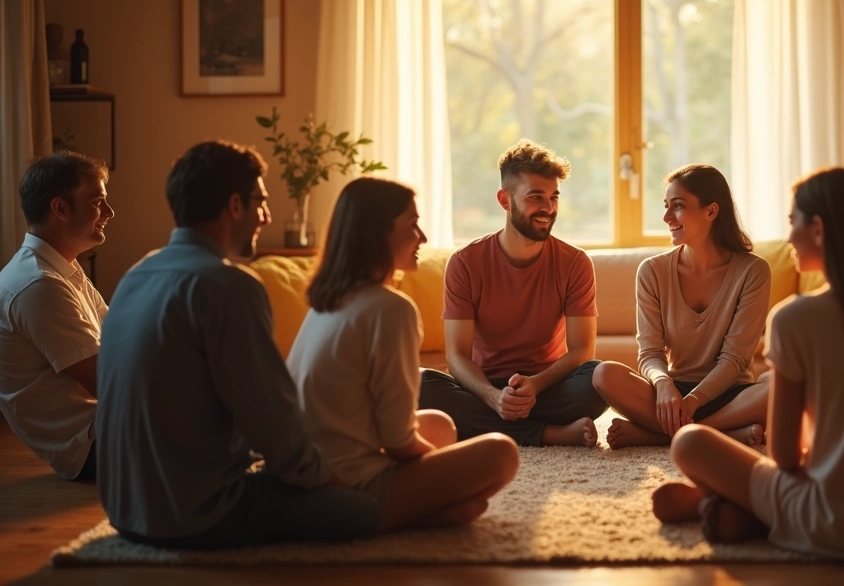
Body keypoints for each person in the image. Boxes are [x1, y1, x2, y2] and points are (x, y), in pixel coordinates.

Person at [651, 168, 844, 557]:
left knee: (690, 440)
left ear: (818, 230)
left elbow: (783, 455)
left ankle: (732, 508)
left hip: (838, 524)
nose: (789, 236)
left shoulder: (793, 318)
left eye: (793, 222)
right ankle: (733, 508)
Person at [96, 140, 381, 549]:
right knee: (363, 510)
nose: (266, 215)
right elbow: (271, 421)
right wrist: (329, 480)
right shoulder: (229, 286)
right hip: (196, 515)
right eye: (260, 202)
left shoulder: (137, 273)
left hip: (124, 510)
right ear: (234, 205)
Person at [288, 177, 519, 532]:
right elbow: (397, 441)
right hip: (349, 487)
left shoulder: (326, 302)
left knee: (439, 424)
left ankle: (422, 509)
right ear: (376, 234)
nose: (423, 238)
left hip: (312, 472)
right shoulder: (391, 309)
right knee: (501, 452)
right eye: (412, 226)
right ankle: (400, 516)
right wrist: (446, 478)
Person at [418, 139, 607, 447]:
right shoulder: (465, 263)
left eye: (553, 197)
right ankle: (548, 434)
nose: (548, 208)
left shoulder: (575, 262)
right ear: (504, 200)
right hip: (483, 388)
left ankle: (502, 425)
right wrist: (494, 397)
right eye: (535, 197)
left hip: (549, 387)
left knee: (597, 378)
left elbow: (582, 351)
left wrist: (534, 385)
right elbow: (457, 356)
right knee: (419, 385)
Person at [592, 164, 771, 449]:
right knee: (603, 374)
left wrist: (694, 401)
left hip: (731, 392)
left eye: (677, 206)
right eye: (666, 206)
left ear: (711, 211)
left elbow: (735, 359)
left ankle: (663, 435)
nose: (666, 217)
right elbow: (650, 353)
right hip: (672, 395)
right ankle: (726, 433)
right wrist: (663, 384)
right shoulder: (652, 271)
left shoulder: (753, 271)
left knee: (778, 384)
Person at [0, 152, 113, 481]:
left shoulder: (63, 269)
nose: (109, 213)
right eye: (98, 202)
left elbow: (119, 339)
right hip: (93, 443)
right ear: (60, 208)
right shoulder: (40, 285)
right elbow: (108, 381)